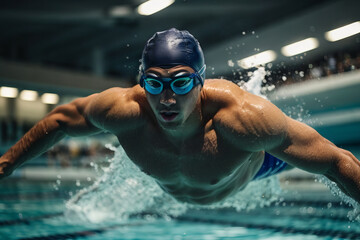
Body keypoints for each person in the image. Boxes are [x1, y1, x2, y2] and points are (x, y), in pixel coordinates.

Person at [0, 28, 359, 205]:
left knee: (297, 150)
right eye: (154, 84)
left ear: (200, 83)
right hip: (186, 176)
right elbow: (61, 120)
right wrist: (6, 164)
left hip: (253, 166)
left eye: (181, 83)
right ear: (142, 82)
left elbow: (337, 161)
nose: (167, 98)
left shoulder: (242, 120)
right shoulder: (124, 111)